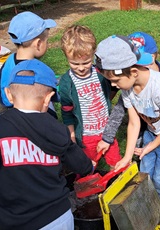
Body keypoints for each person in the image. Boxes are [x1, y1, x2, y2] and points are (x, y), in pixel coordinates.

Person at [0, 59, 93, 230]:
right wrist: (90, 166)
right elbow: (81, 164)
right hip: (59, 216)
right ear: (48, 99)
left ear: (8, 94)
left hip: (18, 222)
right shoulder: (57, 129)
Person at [95, 35, 160, 218]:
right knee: (145, 178)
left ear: (133, 72)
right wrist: (126, 157)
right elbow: (134, 122)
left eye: (115, 81)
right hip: (153, 133)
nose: (113, 86)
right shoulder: (128, 87)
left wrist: (151, 146)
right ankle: (148, 216)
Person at [97, 31, 160, 154]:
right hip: (149, 126)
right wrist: (107, 138)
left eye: (146, 62)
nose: (144, 67)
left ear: (154, 56)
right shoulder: (128, 84)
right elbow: (120, 112)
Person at [59, 25, 122, 169]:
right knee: (87, 168)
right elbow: (67, 111)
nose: (81, 68)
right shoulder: (66, 83)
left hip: (107, 131)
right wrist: (72, 135)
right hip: (86, 136)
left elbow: (113, 88)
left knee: (116, 163)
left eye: (86, 62)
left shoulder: (101, 73)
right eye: (74, 63)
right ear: (66, 57)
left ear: (93, 54)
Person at [0, 11, 59, 117]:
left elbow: (3, 97)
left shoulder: (8, 62)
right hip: (41, 119)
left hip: (18, 119)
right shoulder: (36, 69)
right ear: (38, 44)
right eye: (46, 41)